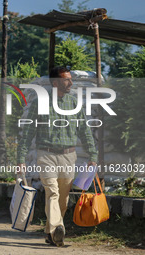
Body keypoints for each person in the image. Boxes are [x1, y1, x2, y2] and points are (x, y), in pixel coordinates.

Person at [17, 66, 97, 247]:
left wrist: (92, 154)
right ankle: (58, 228)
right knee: (52, 191)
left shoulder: (74, 103)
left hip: (69, 156)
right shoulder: (40, 102)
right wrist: (21, 158)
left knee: (63, 199)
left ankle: (50, 233)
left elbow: (84, 131)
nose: (70, 83)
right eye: (66, 80)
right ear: (55, 83)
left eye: (70, 79)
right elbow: (28, 132)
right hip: (46, 155)